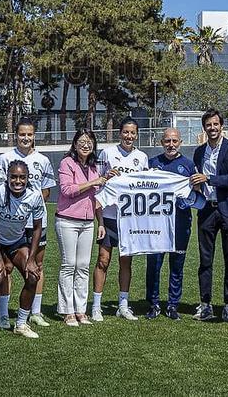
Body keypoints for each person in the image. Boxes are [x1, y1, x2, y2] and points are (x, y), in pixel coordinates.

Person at [0, 119, 55, 329]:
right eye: (22, 134)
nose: (25, 138)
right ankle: (2, 314)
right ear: (15, 135)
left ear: (34, 135)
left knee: (35, 266)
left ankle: (34, 312)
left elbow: (45, 191)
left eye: (29, 134)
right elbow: (0, 188)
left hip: (35, 220)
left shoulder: (43, 160)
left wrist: (30, 208)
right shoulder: (4, 159)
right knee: (7, 268)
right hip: (9, 223)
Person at [0, 160, 46, 341]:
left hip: (16, 241)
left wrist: (32, 259)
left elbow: (37, 228)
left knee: (33, 276)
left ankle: (21, 324)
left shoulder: (34, 195)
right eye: (14, 177)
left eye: (22, 177)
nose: (18, 181)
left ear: (27, 179)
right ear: (7, 178)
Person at [191, 109, 228, 322]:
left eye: (215, 124)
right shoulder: (199, 151)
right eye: (208, 125)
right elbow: (195, 178)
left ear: (222, 126)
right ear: (204, 128)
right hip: (206, 211)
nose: (212, 128)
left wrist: (208, 179)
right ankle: (205, 304)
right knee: (205, 261)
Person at [93, 118, 149, 321]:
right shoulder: (107, 153)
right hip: (108, 216)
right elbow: (97, 187)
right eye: (126, 132)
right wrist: (99, 221)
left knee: (126, 262)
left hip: (129, 219)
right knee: (103, 260)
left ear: (137, 134)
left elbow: (145, 189)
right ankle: (96, 306)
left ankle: (123, 305)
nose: (129, 136)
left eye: (132, 133)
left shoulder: (142, 157)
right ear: (120, 133)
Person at [146, 128, 196, 320]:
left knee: (177, 266)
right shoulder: (152, 164)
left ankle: (173, 305)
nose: (171, 145)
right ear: (161, 142)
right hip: (156, 225)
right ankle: (153, 303)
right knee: (154, 265)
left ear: (180, 142)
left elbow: (196, 194)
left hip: (180, 223)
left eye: (174, 141)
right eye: (167, 141)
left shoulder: (189, 165)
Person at [55, 129, 104, 326]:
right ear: (75, 144)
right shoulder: (67, 163)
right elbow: (67, 190)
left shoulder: (93, 167)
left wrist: (101, 222)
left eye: (89, 141)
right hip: (67, 220)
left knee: (83, 266)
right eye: (82, 141)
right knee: (69, 265)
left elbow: (98, 198)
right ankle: (67, 311)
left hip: (87, 223)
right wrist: (93, 182)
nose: (86, 145)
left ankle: (81, 310)